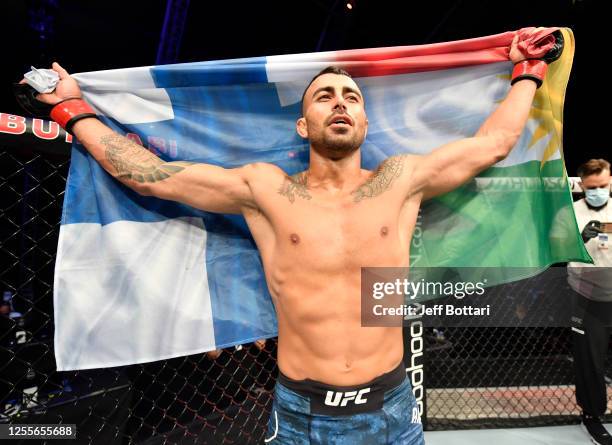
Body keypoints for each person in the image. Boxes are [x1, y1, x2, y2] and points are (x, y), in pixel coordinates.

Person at [18, 29, 559, 444]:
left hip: (394, 405)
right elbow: (153, 176)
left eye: (351, 96)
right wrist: (73, 108)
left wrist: (527, 71)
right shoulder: (265, 190)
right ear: (303, 125)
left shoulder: (403, 179)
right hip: (303, 412)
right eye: (324, 97)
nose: (341, 103)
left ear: (366, 123)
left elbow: (493, 143)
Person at [567, 159, 612, 445]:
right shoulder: (571, 211)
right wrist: (579, 239)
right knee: (590, 361)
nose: (598, 191)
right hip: (587, 294)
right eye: (592, 187)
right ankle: (592, 416)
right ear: (582, 185)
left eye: (604, 186)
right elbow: (557, 248)